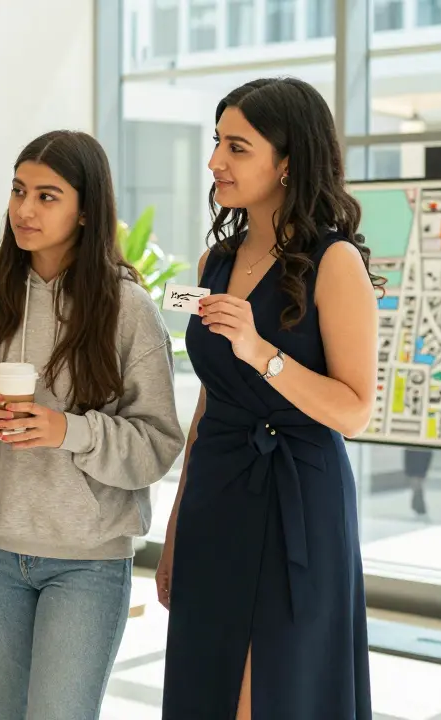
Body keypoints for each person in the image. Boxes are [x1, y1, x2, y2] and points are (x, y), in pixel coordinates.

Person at [0, 130, 185, 719]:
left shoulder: (129, 311)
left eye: (47, 196)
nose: (25, 209)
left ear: (86, 211)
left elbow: (156, 446)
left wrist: (68, 431)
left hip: (87, 561)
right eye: (18, 190)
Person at [156, 77, 380, 719]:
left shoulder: (335, 262)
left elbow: (355, 411)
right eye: (217, 142)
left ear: (287, 161)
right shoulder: (214, 263)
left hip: (298, 502)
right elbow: (209, 404)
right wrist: (176, 525)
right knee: (207, 688)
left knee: (277, 692)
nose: (214, 161)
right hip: (216, 492)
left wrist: (263, 353)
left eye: (237, 147)